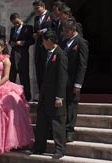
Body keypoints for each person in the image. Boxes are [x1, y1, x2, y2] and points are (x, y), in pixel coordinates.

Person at [33, 31, 68, 159]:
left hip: (55, 96)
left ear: (50, 41)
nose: (42, 43)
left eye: (43, 41)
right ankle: (39, 147)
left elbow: (62, 77)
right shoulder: (47, 54)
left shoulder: (60, 54)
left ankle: (60, 149)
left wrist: (60, 96)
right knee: (41, 122)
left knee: (57, 123)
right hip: (45, 95)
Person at [60, 18, 89, 142]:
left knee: (72, 106)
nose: (65, 33)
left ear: (73, 30)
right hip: (63, 79)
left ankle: (69, 131)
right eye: (64, 31)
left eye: (67, 31)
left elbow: (82, 65)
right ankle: (61, 129)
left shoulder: (81, 42)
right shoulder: (64, 42)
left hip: (73, 80)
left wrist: (78, 84)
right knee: (63, 105)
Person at [9, 13, 34, 101]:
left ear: (20, 18)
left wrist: (22, 43)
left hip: (23, 55)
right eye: (14, 23)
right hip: (13, 55)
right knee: (12, 76)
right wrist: (11, 43)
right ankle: (11, 96)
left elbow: (31, 40)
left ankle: (27, 97)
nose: (16, 25)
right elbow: (10, 40)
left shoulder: (28, 28)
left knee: (24, 77)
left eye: (17, 22)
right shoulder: (12, 29)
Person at [32, 0, 55, 96]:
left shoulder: (51, 15)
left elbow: (54, 29)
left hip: (48, 45)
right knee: (39, 67)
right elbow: (35, 30)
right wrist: (35, 34)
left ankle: (49, 90)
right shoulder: (36, 18)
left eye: (38, 8)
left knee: (47, 67)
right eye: (35, 9)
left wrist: (44, 31)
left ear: (43, 6)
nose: (36, 10)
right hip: (39, 45)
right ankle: (41, 91)